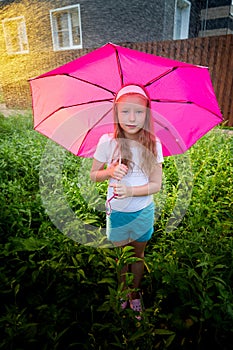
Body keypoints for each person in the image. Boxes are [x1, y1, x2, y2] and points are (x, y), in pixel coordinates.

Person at [90, 84, 163, 317]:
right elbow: (94, 176)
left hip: (142, 211)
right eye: (125, 111)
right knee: (122, 255)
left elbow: (156, 185)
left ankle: (135, 292)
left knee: (138, 255)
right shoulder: (107, 142)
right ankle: (122, 290)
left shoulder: (153, 144)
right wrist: (109, 171)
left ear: (147, 114)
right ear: (116, 112)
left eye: (139, 112)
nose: (132, 118)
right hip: (118, 213)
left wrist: (131, 191)